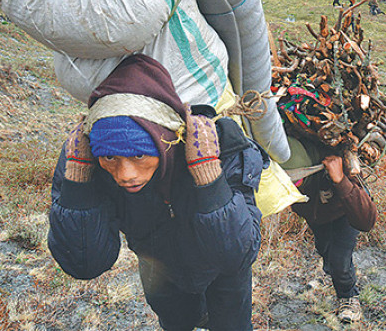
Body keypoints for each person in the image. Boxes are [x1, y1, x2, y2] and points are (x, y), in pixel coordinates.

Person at [48, 55, 265, 331]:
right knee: (177, 323)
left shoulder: (222, 147)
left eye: (139, 154)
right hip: (158, 270)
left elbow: (237, 255)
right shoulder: (84, 161)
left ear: (168, 140)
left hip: (223, 275)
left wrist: (208, 175)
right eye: (110, 157)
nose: (125, 174)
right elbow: (84, 263)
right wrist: (78, 182)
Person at [287, 138, 377, 325]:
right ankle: (332, 271)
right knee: (324, 249)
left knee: (339, 261)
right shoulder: (286, 159)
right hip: (317, 215)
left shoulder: (339, 160)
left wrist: (340, 180)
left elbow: (367, 220)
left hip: (346, 212)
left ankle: (348, 297)